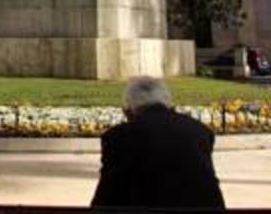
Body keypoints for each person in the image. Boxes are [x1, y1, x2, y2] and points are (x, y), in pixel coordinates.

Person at [91, 76, 225, 209]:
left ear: (128, 113)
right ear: (171, 106)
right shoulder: (200, 132)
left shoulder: (119, 137)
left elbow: (105, 198)